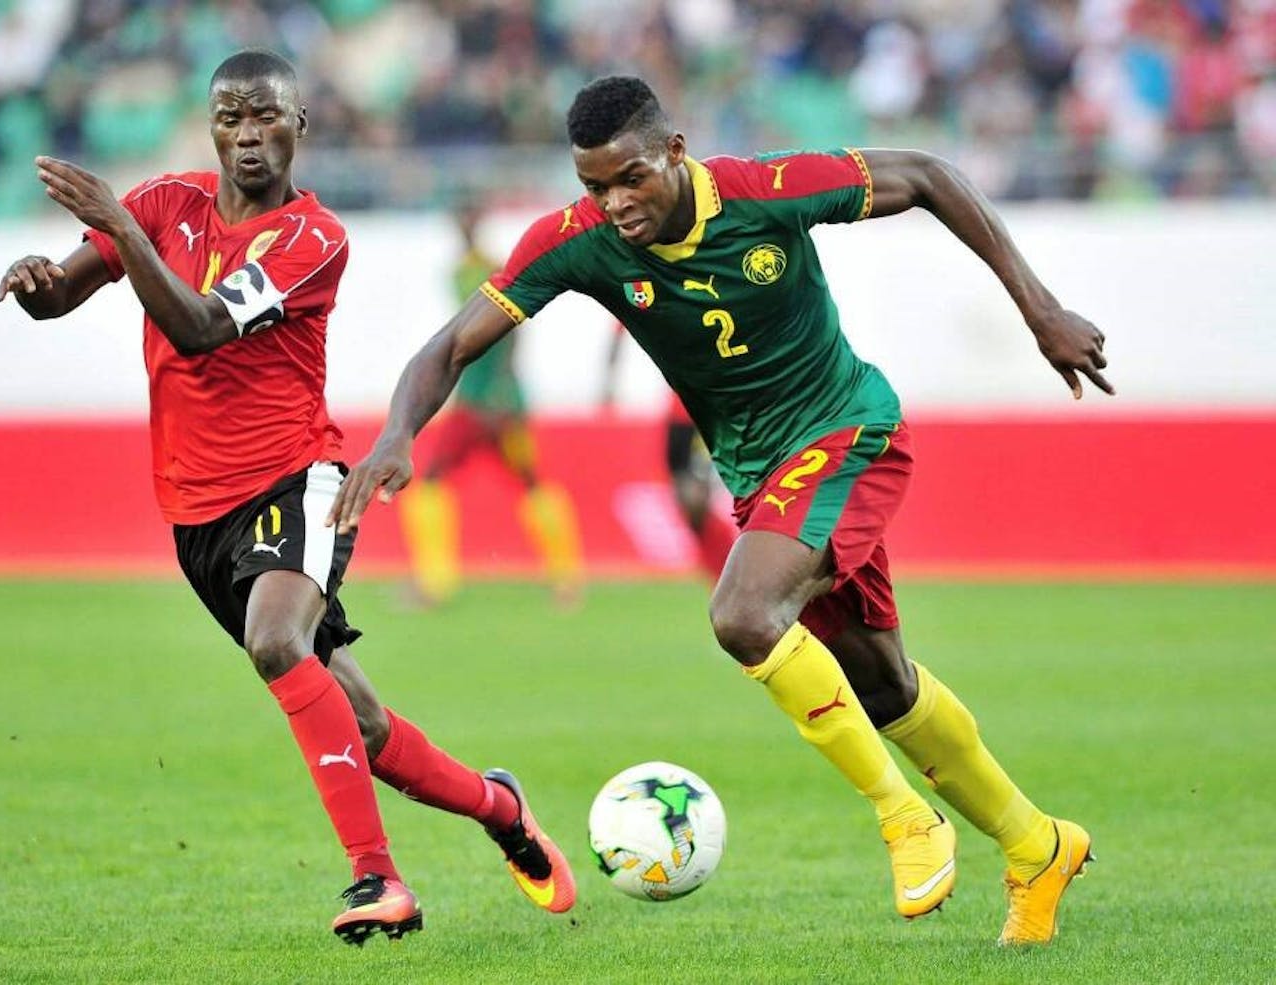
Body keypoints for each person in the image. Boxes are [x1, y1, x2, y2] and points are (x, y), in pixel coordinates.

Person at [332, 76, 1114, 945]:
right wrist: (399, 432)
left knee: (743, 613)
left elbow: (928, 174)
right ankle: (1036, 844)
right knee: (883, 681)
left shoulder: (765, 191)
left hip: (848, 432)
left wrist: (1040, 310)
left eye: (630, 178)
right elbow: (450, 343)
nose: (614, 203)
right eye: (594, 186)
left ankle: (903, 815)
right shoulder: (579, 241)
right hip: (760, 474)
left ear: (675, 150)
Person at [0, 48, 574, 947]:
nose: (247, 135)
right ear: (211, 125)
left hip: (293, 482)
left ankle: (377, 877)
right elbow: (63, 295)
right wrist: (39, 279)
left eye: (266, 116)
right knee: (365, 722)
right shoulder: (162, 205)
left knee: (276, 641)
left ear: (300, 125)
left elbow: (197, 329)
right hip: (193, 515)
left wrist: (119, 224)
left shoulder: (314, 238)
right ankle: (502, 809)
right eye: (229, 117)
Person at [398, 200, 584, 607]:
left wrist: (502, 387)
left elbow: (512, 326)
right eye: (460, 218)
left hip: (496, 401)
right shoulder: (458, 272)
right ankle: (436, 581)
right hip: (475, 399)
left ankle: (565, 578)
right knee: (438, 480)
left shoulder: (487, 268)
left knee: (523, 481)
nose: (465, 225)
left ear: (479, 221)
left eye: (470, 218)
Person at [602, 327, 735, 581]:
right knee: (688, 503)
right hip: (681, 415)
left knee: (698, 498)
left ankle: (735, 577)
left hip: (709, 411)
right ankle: (724, 579)